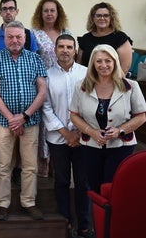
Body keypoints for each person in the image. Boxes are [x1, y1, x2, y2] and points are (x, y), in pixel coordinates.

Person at [0, 21, 47, 221]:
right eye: (10, 37)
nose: (14, 40)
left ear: (25, 38)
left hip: (30, 120)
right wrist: (12, 118)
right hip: (4, 121)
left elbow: (42, 91)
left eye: (18, 37)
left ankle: (28, 202)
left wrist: (24, 116)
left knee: (30, 165)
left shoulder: (35, 59)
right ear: (5, 38)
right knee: (3, 164)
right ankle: (2, 203)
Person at [69, 44, 146, 194]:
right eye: (99, 61)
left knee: (114, 188)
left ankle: (113, 217)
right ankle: (99, 216)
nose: (103, 65)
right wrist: (91, 132)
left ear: (115, 62)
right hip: (90, 146)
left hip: (121, 146)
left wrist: (120, 131)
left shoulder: (131, 86)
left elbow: (141, 116)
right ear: (93, 63)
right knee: (94, 187)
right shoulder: (81, 86)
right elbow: (74, 115)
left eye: (108, 61)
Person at [41, 35, 91, 238]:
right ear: (55, 49)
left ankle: (85, 226)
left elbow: (92, 105)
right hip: (58, 138)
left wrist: (79, 132)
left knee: (83, 182)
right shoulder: (47, 75)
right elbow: (46, 107)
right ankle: (65, 224)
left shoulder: (87, 74)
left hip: (84, 137)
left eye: (69, 47)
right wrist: (66, 133)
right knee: (61, 180)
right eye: (61, 46)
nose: (65, 50)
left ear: (75, 50)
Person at [30, 0, 71, 177]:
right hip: (43, 82)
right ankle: (44, 162)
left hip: (64, 82)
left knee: (62, 118)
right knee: (44, 123)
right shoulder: (34, 34)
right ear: (41, 13)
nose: (49, 14)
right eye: (45, 10)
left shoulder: (65, 32)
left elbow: (72, 56)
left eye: (52, 10)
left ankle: (59, 162)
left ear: (58, 12)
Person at [77, 2, 133, 75]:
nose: (102, 18)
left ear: (111, 18)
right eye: (98, 15)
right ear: (93, 18)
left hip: (113, 83)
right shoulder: (85, 38)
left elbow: (125, 68)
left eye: (106, 15)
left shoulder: (120, 38)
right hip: (88, 81)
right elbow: (79, 64)